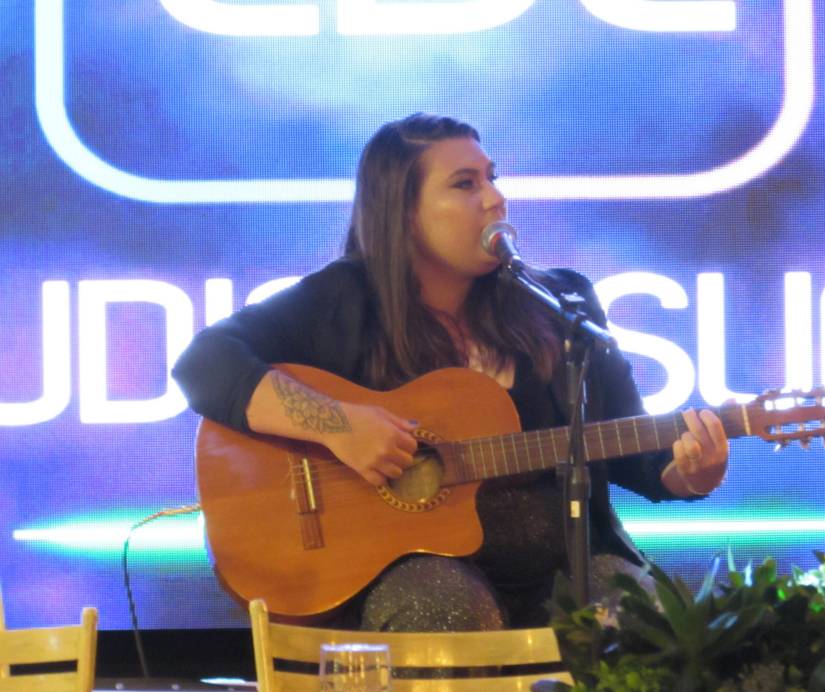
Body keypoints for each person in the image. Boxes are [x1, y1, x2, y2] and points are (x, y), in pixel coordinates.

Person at [172, 113, 728, 635]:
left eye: (492, 178)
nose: (495, 198)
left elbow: (632, 452)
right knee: (443, 607)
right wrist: (340, 426)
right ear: (404, 213)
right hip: (409, 573)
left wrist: (689, 473)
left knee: (642, 613)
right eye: (465, 184)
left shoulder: (562, 304)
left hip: (559, 567)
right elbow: (204, 364)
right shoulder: (343, 301)